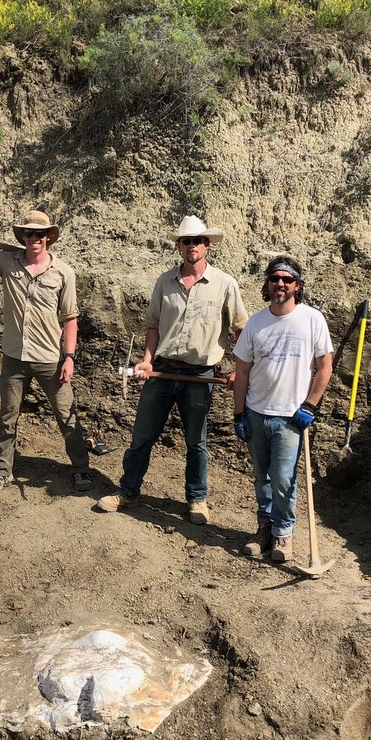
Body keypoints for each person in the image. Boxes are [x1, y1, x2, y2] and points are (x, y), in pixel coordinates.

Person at [96, 215, 247, 524]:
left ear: (207, 246)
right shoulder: (164, 281)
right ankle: (127, 491)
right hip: (162, 371)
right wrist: (147, 361)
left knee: (197, 441)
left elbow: (240, 332)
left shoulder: (225, 284)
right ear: (179, 247)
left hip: (202, 375)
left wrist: (238, 370)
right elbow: (152, 326)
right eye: (186, 241)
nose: (191, 246)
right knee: (142, 435)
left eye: (197, 241)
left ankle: (197, 500)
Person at [0, 209, 92, 495]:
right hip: (14, 357)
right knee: (8, 416)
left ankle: (81, 470)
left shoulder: (64, 272)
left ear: (49, 237)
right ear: (22, 236)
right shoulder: (6, 261)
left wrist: (69, 357)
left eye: (40, 233)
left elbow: (70, 318)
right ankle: (2, 472)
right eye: (28, 233)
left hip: (50, 359)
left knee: (67, 415)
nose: (34, 238)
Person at [232, 256, 333, 563]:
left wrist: (310, 405)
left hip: (291, 417)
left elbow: (325, 366)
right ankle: (264, 529)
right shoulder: (256, 323)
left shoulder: (312, 320)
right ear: (268, 283)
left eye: (287, 280)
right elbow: (243, 372)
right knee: (261, 476)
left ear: (296, 286)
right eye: (275, 279)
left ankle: (283, 534)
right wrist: (239, 414)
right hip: (257, 411)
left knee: (283, 478)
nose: (280, 284)